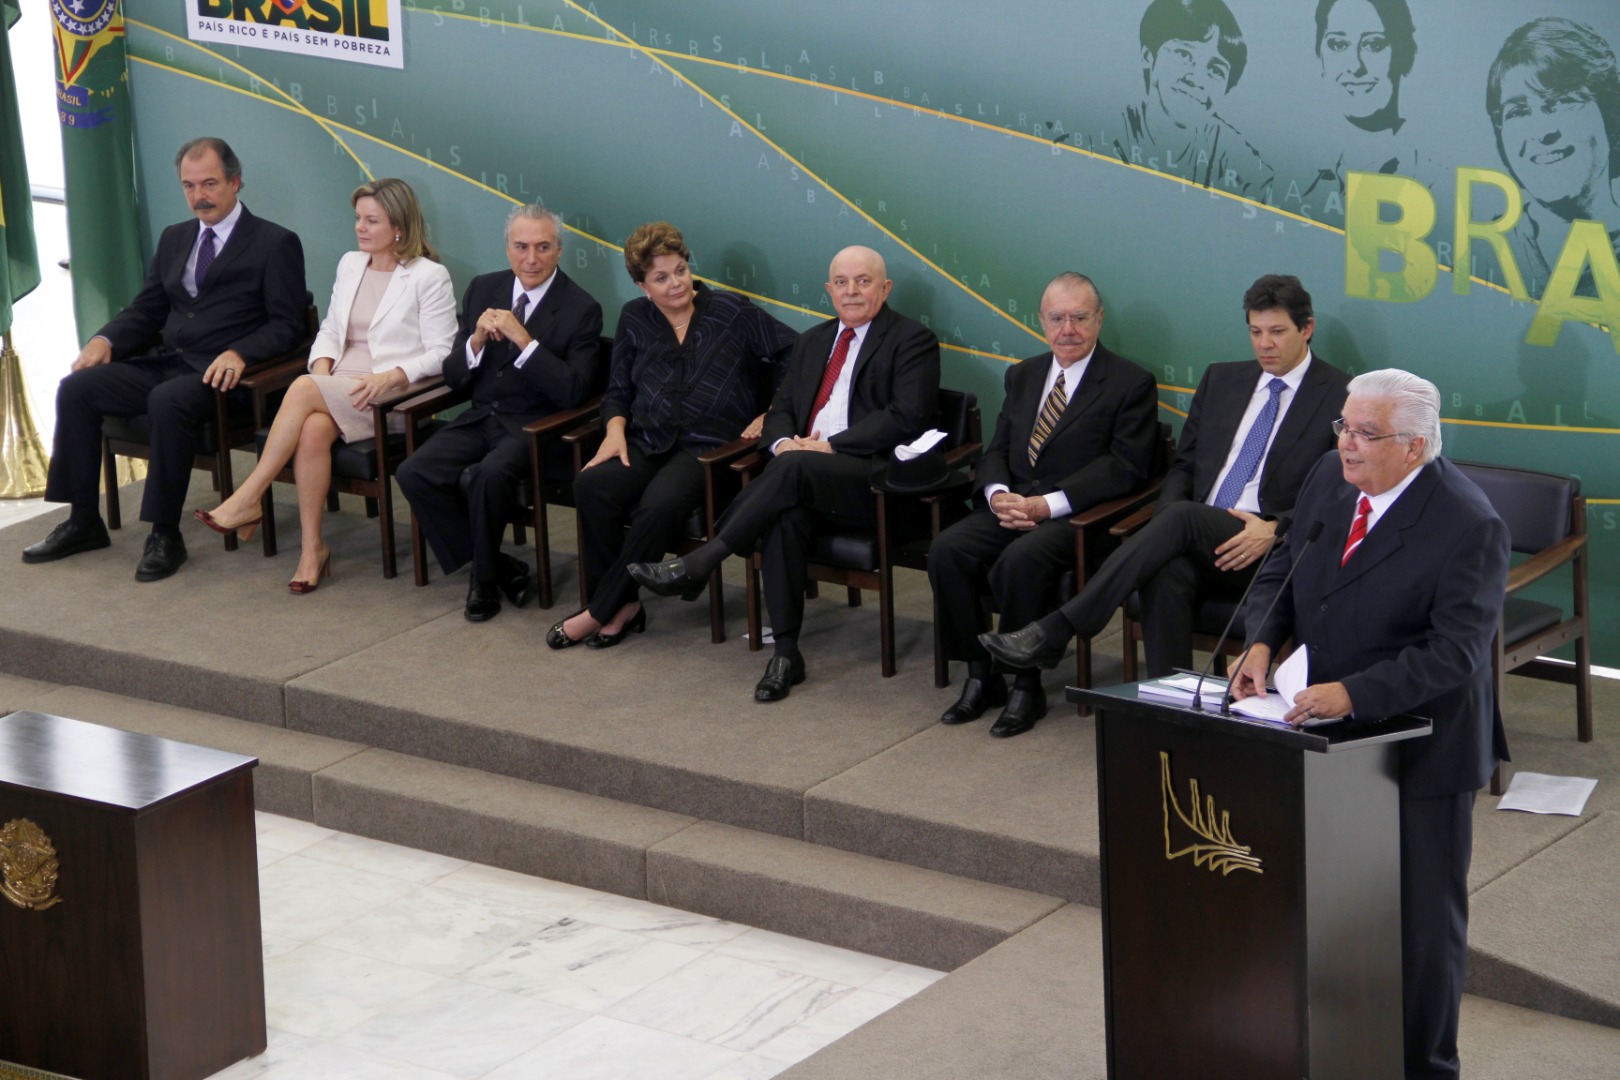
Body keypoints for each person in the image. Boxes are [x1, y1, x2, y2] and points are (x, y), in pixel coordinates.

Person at [1230, 369, 1510, 1080]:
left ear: (1415, 446)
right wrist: (1261, 641)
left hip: (1422, 748)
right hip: (1326, 738)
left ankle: (1426, 1066)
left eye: (1366, 433)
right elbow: (1288, 562)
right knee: (1332, 899)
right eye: (1344, 427)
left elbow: (1456, 653)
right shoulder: (1330, 478)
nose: (1347, 445)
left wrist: (1352, 694)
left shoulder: (1468, 523)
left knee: (1420, 926)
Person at [978, 274, 1349, 678]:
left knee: (1181, 518)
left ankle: (1060, 627)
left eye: (1277, 332)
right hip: (1198, 534)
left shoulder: (1339, 394)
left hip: (1270, 547)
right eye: (1255, 332)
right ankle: (1168, 702)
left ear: (1306, 328)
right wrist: (1168, 525)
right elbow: (1184, 467)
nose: (1265, 344)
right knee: (1166, 568)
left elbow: (1343, 492)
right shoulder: (1222, 379)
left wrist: (1277, 528)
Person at [628, 245, 940, 701]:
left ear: (885, 288)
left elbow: (905, 417)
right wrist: (781, 443)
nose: (851, 291)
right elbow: (782, 410)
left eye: (864, 281)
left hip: (871, 482)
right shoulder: (813, 342)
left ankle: (702, 560)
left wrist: (829, 446)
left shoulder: (912, 340)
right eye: (841, 282)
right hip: (804, 476)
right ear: (828, 290)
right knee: (783, 512)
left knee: (792, 471)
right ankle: (787, 654)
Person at [22, 137, 307, 581]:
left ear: (235, 182)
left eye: (209, 184)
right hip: (166, 361)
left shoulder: (275, 242)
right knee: (77, 388)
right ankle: (83, 521)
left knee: (168, 401)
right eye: (189, 186)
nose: (199, 196)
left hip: (226, 377)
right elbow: (148, 309)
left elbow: (288, 324)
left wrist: (241, 352)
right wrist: (106, 339)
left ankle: (165, 533)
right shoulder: (176, 237)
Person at [195, 178, 456, 592]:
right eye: (358, 218)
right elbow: (332, 331)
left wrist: (391, 376)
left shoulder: (429, 276)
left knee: (303, 389)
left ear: (399, 227)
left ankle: (249, 497)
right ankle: (312, 549)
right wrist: (321, 373)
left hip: (391, 396)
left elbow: (443, 352)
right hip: (339, 388)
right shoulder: (351, 264)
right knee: (313, 428)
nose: (360, 227)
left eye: (372, 220)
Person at [928, 272, 1157, 738]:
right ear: (1041, 321)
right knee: (947, 550)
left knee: (1021, 559)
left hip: (1075, 517)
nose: (1067, 330)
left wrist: (1046, 505)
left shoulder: (1130, 382)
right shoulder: (1024, 374)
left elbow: (1125, 467)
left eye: (1079, 318)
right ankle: (981, 674)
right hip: (1012, 503)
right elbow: (998, 447)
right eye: (1056, 318)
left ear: (1099, 319)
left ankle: (1025, 685)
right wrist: (998, 495)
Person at [547, 222, 795, 649]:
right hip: (647, 439)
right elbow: (618, 390)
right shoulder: (635, 317)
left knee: (658, 504)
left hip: (710, 448)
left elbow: (798, 351)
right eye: (661, 278)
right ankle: (625, 605)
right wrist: (614, 430)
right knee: (591, 486)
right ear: (642, 286)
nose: (676, 283)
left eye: (680, 270)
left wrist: (771, 412)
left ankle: (600, 610)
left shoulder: (731, 311)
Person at [394, 205, 604, 621]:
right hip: (481, 419)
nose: (531, 258)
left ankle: (484, 583)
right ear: (507, 249)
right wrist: (474, 342)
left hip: (536, 429)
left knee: (487, 475)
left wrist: (524, 341)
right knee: (413, 471)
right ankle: (500, 564)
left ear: (559, 250)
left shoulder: (582, 308)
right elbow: (454, 377)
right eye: (521, 247)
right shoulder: (483, 288)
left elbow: (573, 391)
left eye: (543, 247)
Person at [1486, 17, 1620, 299]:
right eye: (1518, 111)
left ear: (1609, 117)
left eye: (1564, 101)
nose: (1542, 132)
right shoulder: (1487, 240)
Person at [1110, 0, 1273, 200]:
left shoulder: (1243, 166)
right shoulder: (1107, 125)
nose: (1197, 79)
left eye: (1216, 70)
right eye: (1184, 54)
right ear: (1148, 56)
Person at [1301, 0, 1422, 202]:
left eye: (1374, 44)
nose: (1356, 65)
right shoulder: (1292, 165)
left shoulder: (1429, 170)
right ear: (1320, 54)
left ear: (1405, 55)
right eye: (1338, 44)